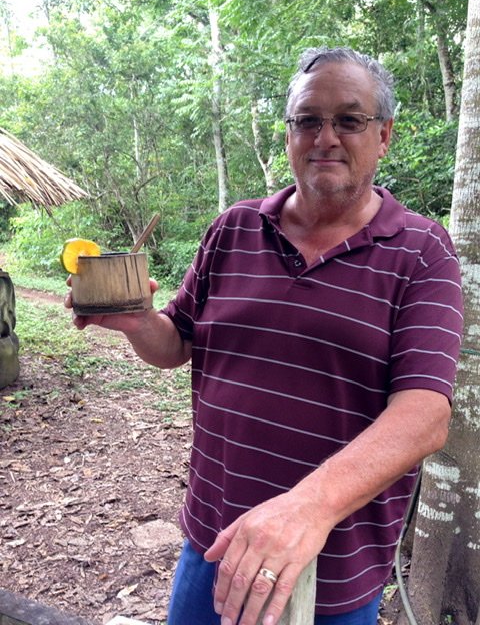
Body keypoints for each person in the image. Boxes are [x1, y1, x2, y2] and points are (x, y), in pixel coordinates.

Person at [67, 46, 464, 625]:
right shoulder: (233, 228)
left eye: (348, 120)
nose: (325, 137)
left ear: (383, 136)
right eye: (308, 120)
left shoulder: (421, 251)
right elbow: (177, 342)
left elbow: (425, 413)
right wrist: (137, 322)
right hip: (214, 541)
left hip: (332, 565)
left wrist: (306, 508)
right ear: (289, 135)